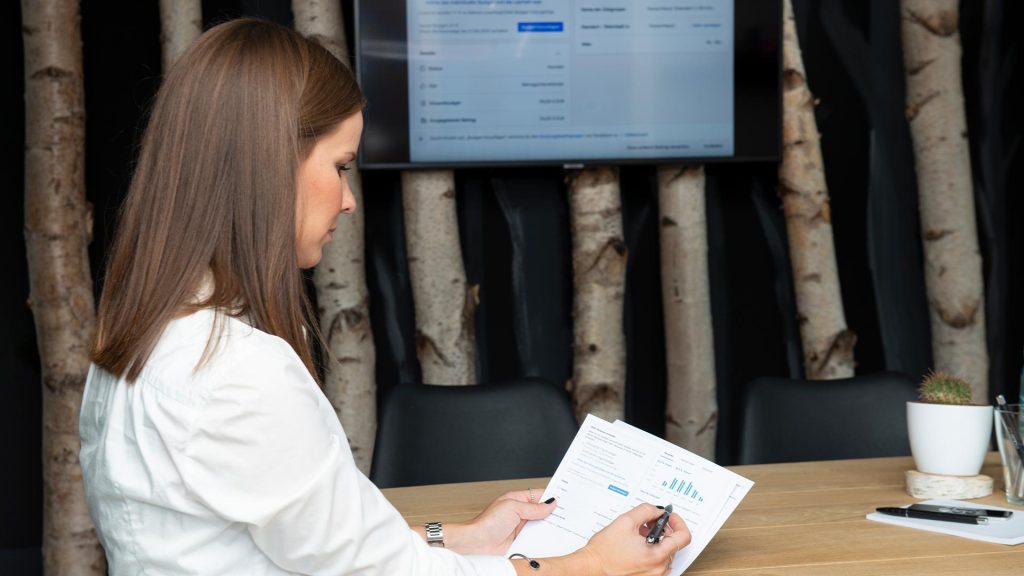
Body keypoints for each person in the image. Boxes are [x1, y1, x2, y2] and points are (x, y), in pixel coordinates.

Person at [79, 18, 690, 576]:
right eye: (341, 167)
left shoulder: (136, 344)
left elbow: (320, 539)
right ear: (269, 164)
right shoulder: (239, 372)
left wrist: (463, 537)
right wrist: (593, 566)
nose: (347, 200)